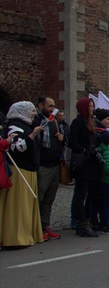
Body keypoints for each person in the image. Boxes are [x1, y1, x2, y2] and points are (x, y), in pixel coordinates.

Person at [0, 101, 44, 247]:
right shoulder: (15, 126)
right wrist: (32, 136)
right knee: (18, 205)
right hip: (20, 171)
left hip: (29, 169)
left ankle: (28, 233)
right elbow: (17, 148)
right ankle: (16, 237)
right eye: (31, 111)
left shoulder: (26, 124)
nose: (34, 113)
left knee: (27, 204)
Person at [69, 98, 102, 237]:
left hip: (91, 163)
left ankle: (87, 220)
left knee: (89, 194)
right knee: (80, 194)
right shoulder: (77, 123)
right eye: (89, 106)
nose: (92, 108)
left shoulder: (92, 122)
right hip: (83, 163)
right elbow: (72, 141)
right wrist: (85, 151)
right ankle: (81, 223)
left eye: (92, 106)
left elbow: (94, 140)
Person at [35, 97, 64, 240]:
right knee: (38, 198)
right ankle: (35, 228)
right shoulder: (36, 121)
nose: (52, 109)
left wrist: (61, 139)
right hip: (43, 166)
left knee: (49, 200)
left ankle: (45, 226)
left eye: (53, 106)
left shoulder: (54, 122)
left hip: (55, 165)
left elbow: (62, 141)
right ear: (41, 106)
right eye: (49, 106)